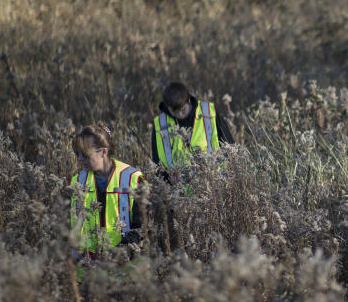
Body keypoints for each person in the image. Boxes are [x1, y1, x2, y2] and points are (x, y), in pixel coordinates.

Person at [70, 125, 145, 260]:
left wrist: (121, 252)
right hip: (88, 270)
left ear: (103, 152)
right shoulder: (77, 182)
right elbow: (71, 226)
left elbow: (143, 227)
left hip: (126, 271)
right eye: (77, 154)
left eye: (85, 155)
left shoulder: (133, 179)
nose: (80, 159)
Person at [151, 81, 234, 177]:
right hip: (177, 189)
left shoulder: (209, 112)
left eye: (183, 110)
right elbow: (157, 163)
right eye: (175, 112)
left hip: (213, 182)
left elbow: (229, 146)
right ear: (167, 107)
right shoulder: (160, 124)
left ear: (189, 100)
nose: (180, 115)